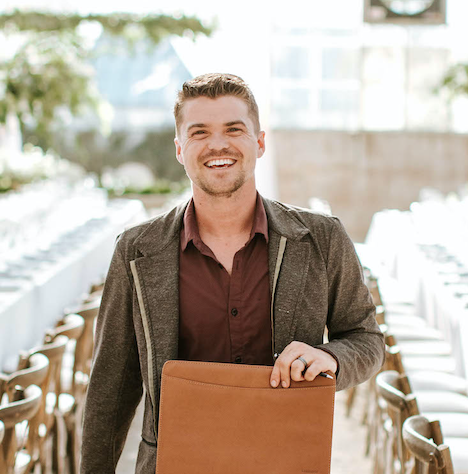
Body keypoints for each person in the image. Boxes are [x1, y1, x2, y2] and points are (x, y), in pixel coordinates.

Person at [80, 73, 385, 474]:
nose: (217, 144)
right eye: (199, 132)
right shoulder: (136, 251)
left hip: (286, 460)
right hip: (174, 463)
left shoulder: (322, 238)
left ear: (259, 142)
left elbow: (366, 340)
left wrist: (329, 356)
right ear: (179, 149)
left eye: (233, 129)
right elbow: (110, 390)